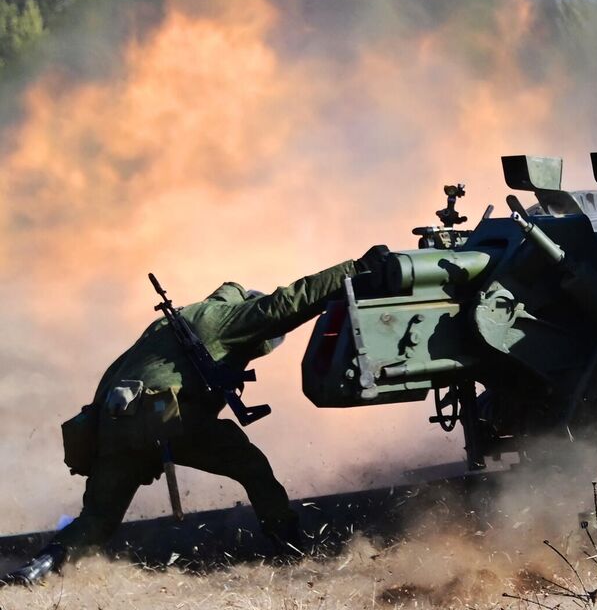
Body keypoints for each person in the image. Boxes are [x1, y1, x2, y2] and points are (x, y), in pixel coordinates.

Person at [2, 249, 391, 584]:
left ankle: (39, 567)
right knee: (252, 467)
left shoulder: (170, 323)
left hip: (114, 422)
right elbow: (288, 303)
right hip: (167, 417)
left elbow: (115, 375)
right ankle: (290, 548)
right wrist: (355, 268)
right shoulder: (225, 321)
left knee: (98, 517)